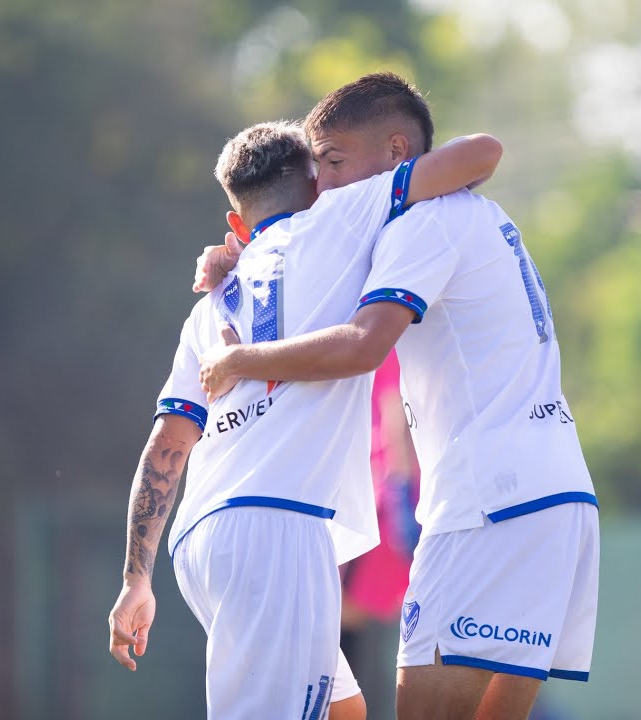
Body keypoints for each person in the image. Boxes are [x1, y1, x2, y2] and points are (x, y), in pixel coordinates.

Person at [195, 71, 599, 720]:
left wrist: (238, 358)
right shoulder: (481, 215)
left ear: (394, 154)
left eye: (331, 161)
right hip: (561, 498)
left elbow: (361, 345)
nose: (319, 184)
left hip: (486, 500)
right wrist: (232, 255)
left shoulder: (422, 222)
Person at [106, 119, 502, 720]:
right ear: (317, 185)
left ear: (237, 224)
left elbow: (168, 443)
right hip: (275, 529)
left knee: (343, 712)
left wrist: (136, 577)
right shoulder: (338, 217)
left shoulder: (208, 310)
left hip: (200, 540)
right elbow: (478, 155)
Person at [338, 350, 419, 701]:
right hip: (385, 498)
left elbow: (394, 414)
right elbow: (393, 412)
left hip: (384, 500)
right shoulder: (398, 339)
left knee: (344, 617)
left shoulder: (389, 339)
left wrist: (401, 492)